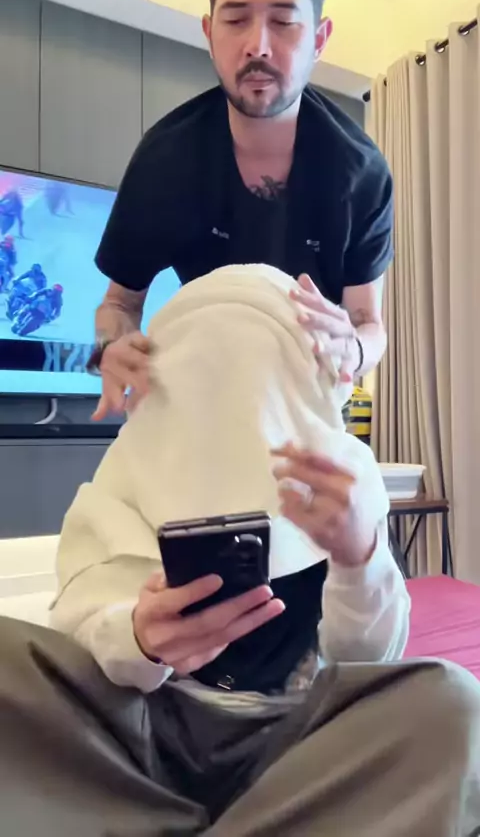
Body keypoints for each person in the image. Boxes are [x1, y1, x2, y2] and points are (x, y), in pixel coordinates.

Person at [1, 264, 479, 837]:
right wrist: (138, 638)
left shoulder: (340, 483)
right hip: (147, 744)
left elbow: (369, 660)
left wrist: (358, 558)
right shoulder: (127, 479)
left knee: (450, 702)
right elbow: (81, 639)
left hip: (299, 751)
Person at [90, 0, 393, 420]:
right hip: (200, 404)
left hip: (309, 413)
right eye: (235, 20)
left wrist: (354, 349)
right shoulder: (165, 160)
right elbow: (119, 304)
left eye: (284, 22)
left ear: (319, 39)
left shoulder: (362, 173)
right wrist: (112, 345)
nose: (258, 46)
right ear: (210, 34)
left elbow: (368, 323)